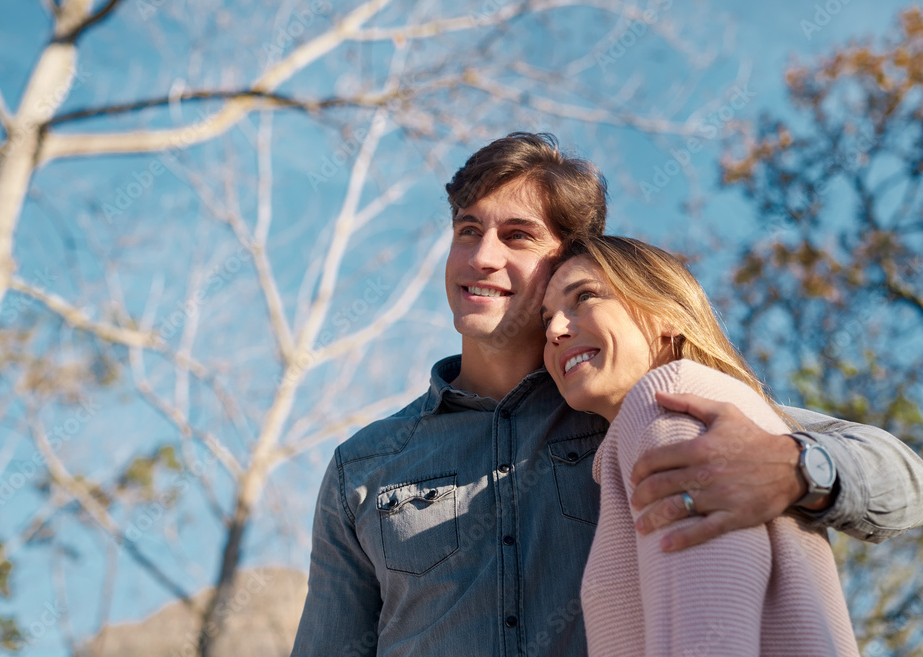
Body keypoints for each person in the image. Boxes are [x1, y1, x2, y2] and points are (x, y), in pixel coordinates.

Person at [291, 133, 923, 657]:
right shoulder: (365, 464)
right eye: (466, 229)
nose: (481, 257)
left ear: (568, 263)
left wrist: (795, 467)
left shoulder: (645, 404)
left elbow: (905, 479)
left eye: (518, 235)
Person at [542, 235, 860, 656]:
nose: (554, 330)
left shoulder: (669, 403)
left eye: (584, 297)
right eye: (544, 320)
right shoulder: (704, 410)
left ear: (666, 313)